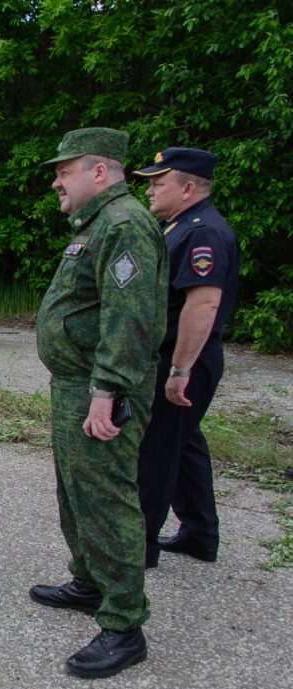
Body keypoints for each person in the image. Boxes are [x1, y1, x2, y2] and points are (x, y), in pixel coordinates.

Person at [27, 127, 168, 678]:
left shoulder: (125, 223)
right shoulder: (98, 223)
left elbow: (129, 319)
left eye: (65, 170)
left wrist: (106, 392)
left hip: (99, 388)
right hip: (75, 384)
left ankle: (123, 626)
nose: (57, 180)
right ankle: (89, 581)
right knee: (77, 489)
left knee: (106, 498)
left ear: (100, 171)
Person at [132, 148, 240, 567]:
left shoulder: (202, 232)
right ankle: (200, 533)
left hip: (181, 359)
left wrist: (180, 369)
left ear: (189, 187)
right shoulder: (177, 226)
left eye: (159, 182)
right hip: (180, 358)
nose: (150, 190)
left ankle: (138, 549)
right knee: (185, 443)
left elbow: (203, 304)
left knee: (156, 451)